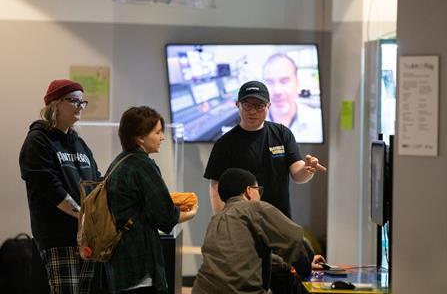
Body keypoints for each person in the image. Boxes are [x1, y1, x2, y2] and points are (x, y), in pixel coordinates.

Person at [103, 106, 198, 294]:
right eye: (157, 132)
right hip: (140, 264)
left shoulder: (119, 162)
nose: (162, 137)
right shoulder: (143, 165)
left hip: (119, 263)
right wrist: (191, 212)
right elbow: (165, 216)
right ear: (140, 138)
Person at [19, 79, 100, 293]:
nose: (80, 107)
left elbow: (96, 182)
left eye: (83, 102)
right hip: (57, 237)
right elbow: (51, 189)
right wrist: (84, 214)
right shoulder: (38, 141)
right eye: (74, 101)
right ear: (54, 104)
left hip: (87, 237)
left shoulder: (80, 144)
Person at [204, 80, 326, 218]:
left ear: (268, 106)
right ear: (238, 105)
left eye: (259, 106)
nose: (253, 111)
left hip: (279, 218)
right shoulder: (224, 143)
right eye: (247, 105)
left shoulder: (282, 133)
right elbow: (216, 185)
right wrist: (221, 221)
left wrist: (307, 171)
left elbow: (298, 174)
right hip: (243, 221)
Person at [192, 168, 314, 294]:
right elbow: (295, 240)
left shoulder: (215, 220)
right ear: (248, 191)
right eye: (258, 190)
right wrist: (307, 267)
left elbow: (244, 258)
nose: (260, 195)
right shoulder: (255, 208)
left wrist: (287, 264)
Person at [263, 53, 323, 143]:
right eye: (270, 82)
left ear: (297, 84)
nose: (277, 91)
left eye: (284, 81)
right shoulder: (250, 126)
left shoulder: (318, 122)